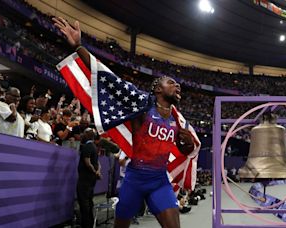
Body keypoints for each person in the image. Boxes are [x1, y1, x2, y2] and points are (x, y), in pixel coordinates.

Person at [53, 17, 197, 228]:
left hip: (159, 181)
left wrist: (188, 145)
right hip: (135, 180)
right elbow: (109, 78)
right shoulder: (142, 106)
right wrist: (79, 47)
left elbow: (181, 150)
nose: (178, 87)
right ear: (157, 89)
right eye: (171, 83)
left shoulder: (177, 119)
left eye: (178, 85)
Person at [77, 128, 101, 228]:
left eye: (84, 133)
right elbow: (98, 163)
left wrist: (95, 172)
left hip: (85, 179)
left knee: (84, 202)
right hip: (91, 180)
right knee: (89, 201)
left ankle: (86, 225)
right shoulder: (94, 147)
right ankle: (90, 223)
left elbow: (88, 163)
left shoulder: (87, 146)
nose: (82, 135)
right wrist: (98, 172)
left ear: (87, 135)